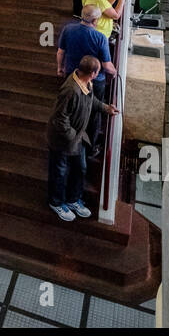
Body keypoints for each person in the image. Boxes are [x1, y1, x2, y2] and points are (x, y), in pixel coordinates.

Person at [46, 55, 116, 222]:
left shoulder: (86, 82)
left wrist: (106, 108)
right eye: (98, 71)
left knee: (80, 168)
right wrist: (72, 136)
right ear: (93, 73)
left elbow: (91, 101)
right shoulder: (70, 90)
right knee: (60, 172)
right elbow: (60, 119)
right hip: (62, 140)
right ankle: (56, 202)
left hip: (77, 137)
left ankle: (72, 199)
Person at [57, 6, 118, 160]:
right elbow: (106, 66)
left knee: (72, 110)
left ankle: (73, 139)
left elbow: (60, 52)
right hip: (94, 81)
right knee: (93, 114)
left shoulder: (68, 29)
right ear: (96, 20)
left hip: (72, 75)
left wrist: (60, 68)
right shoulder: (100, 37)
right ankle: (90, 147)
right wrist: (115, 72)